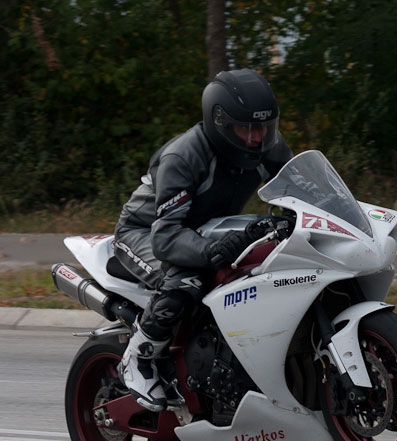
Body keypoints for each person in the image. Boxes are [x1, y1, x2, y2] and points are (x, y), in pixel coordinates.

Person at [113, 68, 294, 411]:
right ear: (221, 123)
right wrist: (211, 250)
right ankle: (139, 358)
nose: (257, 138)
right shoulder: (184, 157)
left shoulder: (267, 146)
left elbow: (302, 190)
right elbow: (165, 239)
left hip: (207, 229)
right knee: (187, 280)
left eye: (264, 127)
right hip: (146, 232)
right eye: (247, 128)